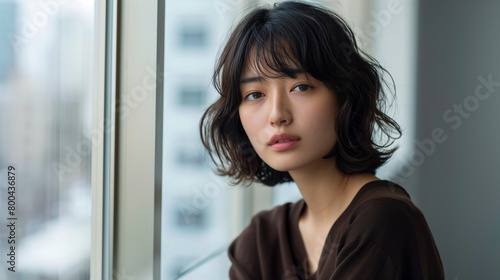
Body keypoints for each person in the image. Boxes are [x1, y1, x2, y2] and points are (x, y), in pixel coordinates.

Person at [200, 1, 444, 279]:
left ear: (345, 97)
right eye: (255, 94)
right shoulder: (261, 240)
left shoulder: (382, 220)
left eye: (301, 87)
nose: (277, 115)